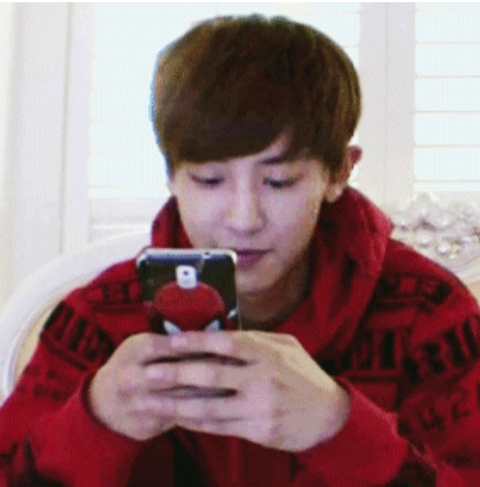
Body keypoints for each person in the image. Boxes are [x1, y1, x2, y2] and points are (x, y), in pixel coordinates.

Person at [1, 14, 480, 487]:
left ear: (339, 173)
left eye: (279, 181)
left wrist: (339, 427)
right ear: (170, 176)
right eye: (210, 180)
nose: (244, 219)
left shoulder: (429, 312)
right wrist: (94, 422)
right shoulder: (97, 318)